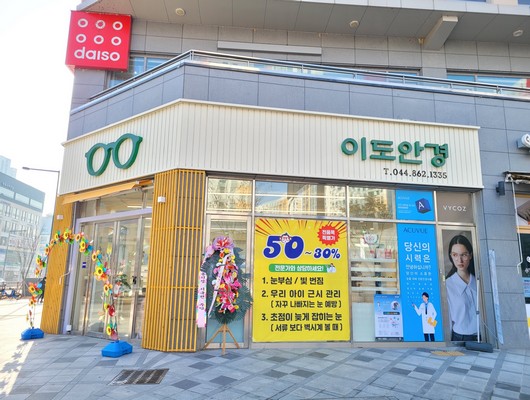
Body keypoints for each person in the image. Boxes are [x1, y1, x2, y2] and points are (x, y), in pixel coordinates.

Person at [445, 234, 478, 342]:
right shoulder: (448, 285)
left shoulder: (478, 281)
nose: (459, 260)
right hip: (460, 338)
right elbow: (448, 319)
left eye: (464, 255)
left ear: (470, 255)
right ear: (451, 256)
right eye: (455, 255)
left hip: (483, 337)